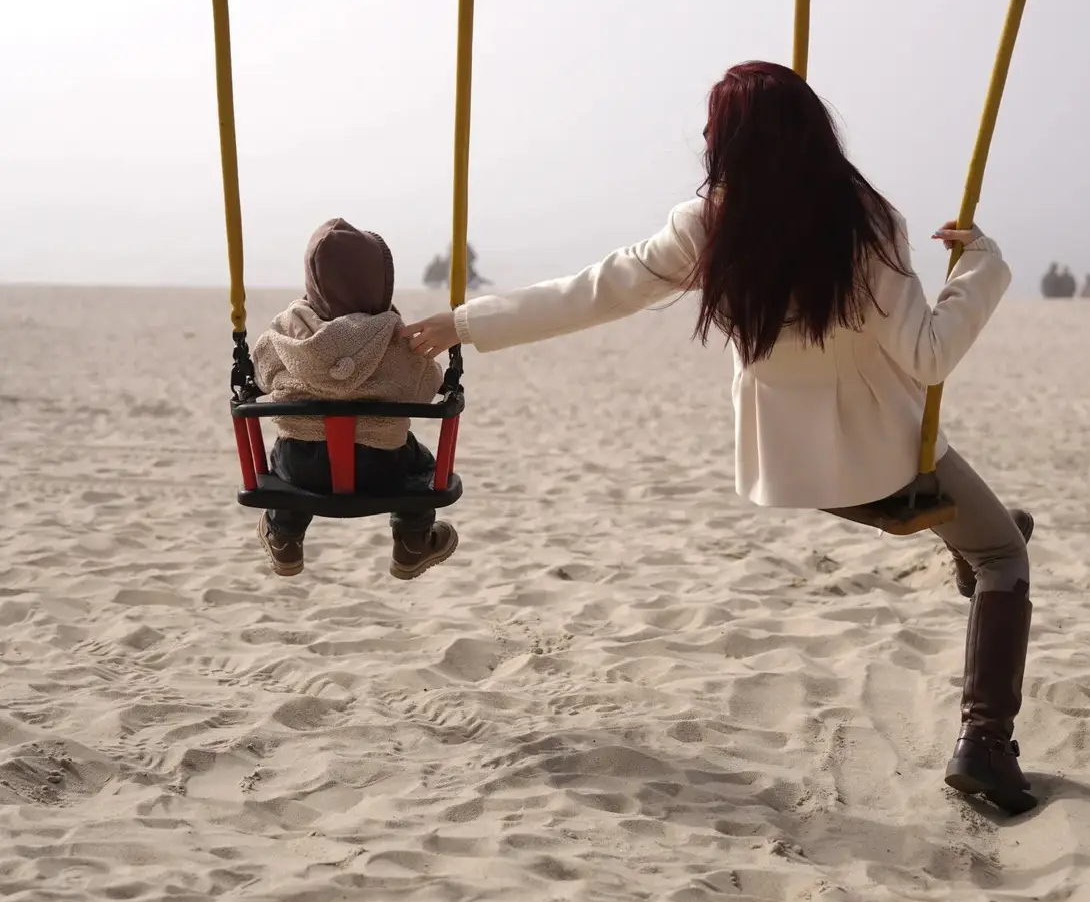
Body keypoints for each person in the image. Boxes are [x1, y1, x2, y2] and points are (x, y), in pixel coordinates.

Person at [402, 62, 1036, 814]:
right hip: (889, 465)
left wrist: (463, 324)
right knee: (1004, 554)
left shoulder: (705, 227)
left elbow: (594, 291)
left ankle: (966, 547)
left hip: (787, 472)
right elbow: (929, 356)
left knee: (983, 527)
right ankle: (984, 742)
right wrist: (980, 267)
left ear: (725, 143)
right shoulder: (866, 220)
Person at [253, 218, 459, 581]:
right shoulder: (396, 340)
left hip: (302, 467)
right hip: (382, 468)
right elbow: (426, 387)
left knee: (281, 466)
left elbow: (260, 375)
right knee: (421, 464)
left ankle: (284, 537)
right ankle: (412, 543)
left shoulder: (284, 333)